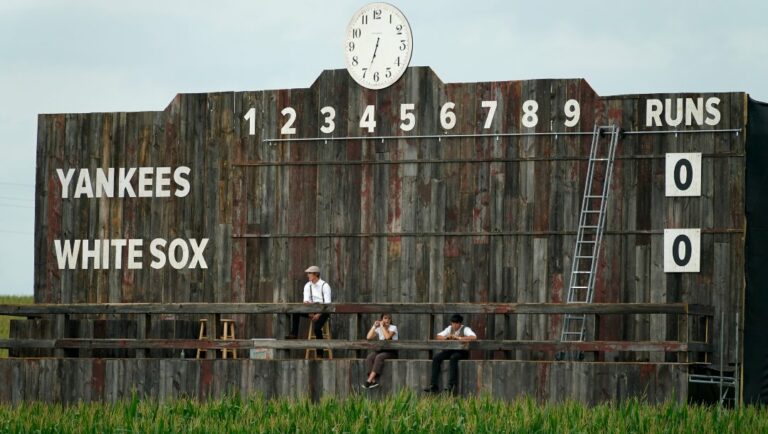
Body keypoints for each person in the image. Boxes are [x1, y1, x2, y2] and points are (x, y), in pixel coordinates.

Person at [423, 314, 476, 394]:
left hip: (462, 352)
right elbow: (438, 336)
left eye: (456, 323)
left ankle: (452, 385)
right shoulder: (449, 328)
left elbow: (473, 337)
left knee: (453, 358)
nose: (454, 325)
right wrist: (446, 338)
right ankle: (433, 385)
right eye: (453, 323)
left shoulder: (465, 329)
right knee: (436, 358)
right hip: (451, 350)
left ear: (460, 324)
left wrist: (459, 338)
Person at [285, 266, 332, 356]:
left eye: (310, 273)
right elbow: (305, 302)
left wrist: (318, 314)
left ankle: (320, 353)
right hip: (311, 309)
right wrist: (309, 313)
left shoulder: (325, 286)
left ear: (316, 274)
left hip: (324, 311)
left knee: (317, 328)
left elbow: (327, 305)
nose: (308, 275)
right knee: (296, 311)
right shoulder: (307, 285)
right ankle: (294, 334)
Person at [362, 313, 398, 389]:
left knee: (379, 357)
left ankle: (368, 381)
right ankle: (374, 381)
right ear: (382, 319)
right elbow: (368, 337)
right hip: (381, 350)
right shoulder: (379, 328)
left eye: (389, 318)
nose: (387, 320)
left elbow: (387, 337)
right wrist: (374, 326)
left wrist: (382, 326)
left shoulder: (393, 328)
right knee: (369, 357)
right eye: (385, 318)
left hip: (392, 351)